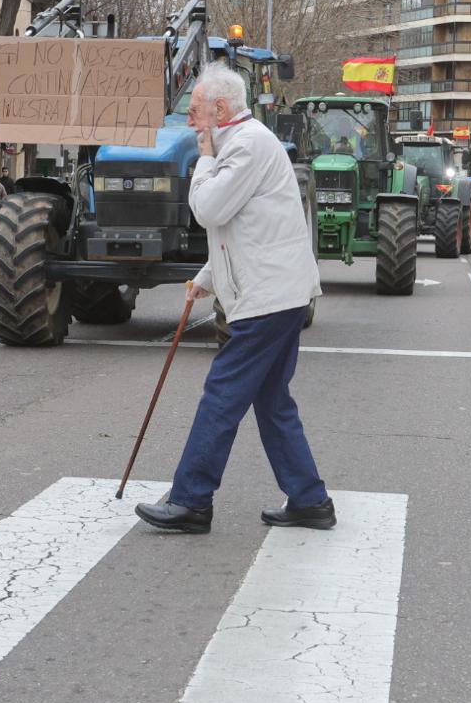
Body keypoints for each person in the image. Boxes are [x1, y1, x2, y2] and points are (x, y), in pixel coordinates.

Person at [135, 62, 330, 535]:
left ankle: (191, 500)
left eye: (196, 111)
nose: (190, 122)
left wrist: (202, 158)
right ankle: (309, 500)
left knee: (222, 394)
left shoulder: (244, 144)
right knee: (271, 400)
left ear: (220, 110)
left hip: (268, 297)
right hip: (277, 292)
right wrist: (207, 276)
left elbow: (209, 209)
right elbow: (242, 227)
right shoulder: (246, 142)